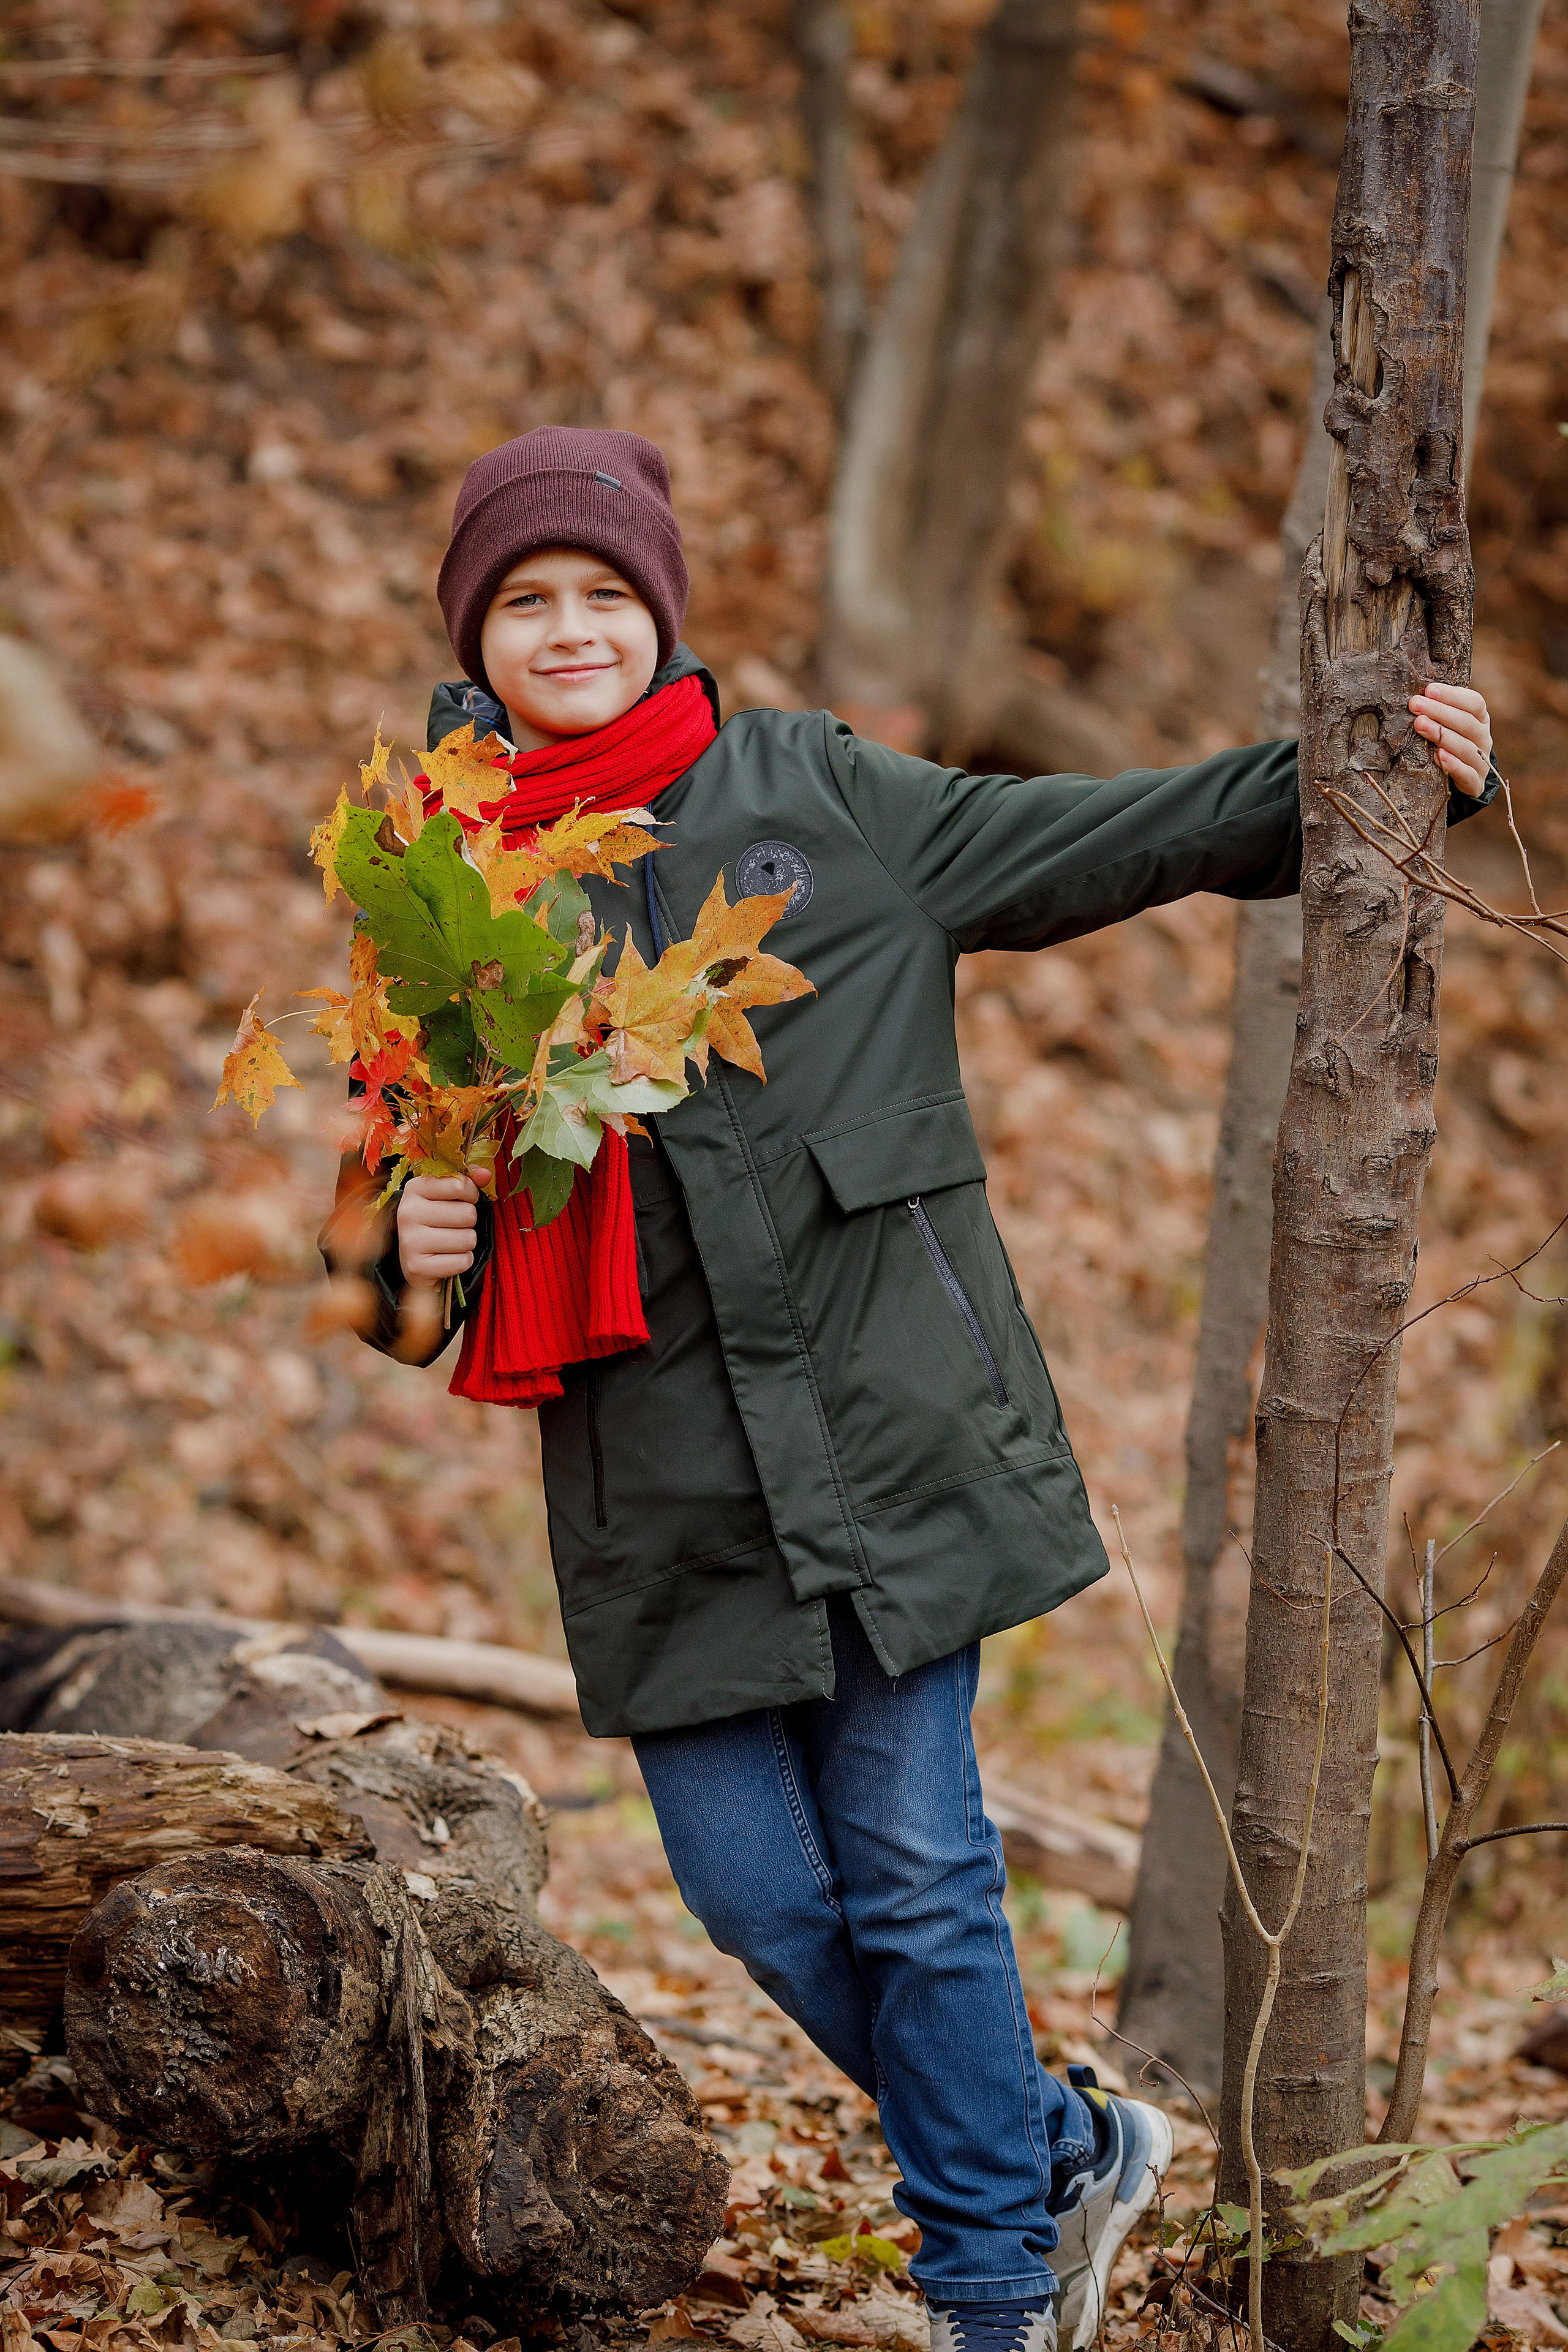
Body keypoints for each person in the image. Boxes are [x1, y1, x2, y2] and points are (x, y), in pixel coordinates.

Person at [325, 426, 1496, 2352]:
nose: (568, 630)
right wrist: (401, 1250)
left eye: (602, 595)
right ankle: (1056, 2152)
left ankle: (984, 2293)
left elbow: (1104, 838)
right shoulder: (443, 888)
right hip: (659, 1480)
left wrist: (1373, 775)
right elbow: (373, 1249)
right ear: (476, 631)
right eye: (525, 601)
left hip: (890, 1427)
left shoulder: (811, 792)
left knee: (922, 1874)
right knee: (757, 1902)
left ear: (660, 613)